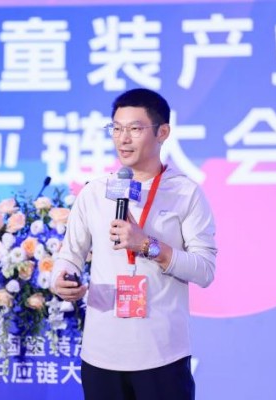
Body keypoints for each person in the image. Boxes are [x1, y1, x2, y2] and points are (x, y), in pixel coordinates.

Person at [51, 88, 217, 400]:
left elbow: (205, 270)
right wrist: (60, 279)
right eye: (116, 128)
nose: (123, 139)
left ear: (162, 132)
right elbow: (69, 256)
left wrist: (148, 245)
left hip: (162, 354)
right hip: (101, 353)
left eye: (135, 129)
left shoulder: (186, 193)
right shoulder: (94, 192)